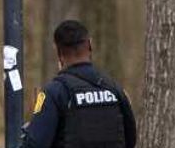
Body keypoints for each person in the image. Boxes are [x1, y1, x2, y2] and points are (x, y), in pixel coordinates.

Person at [20, 20, 137, 148]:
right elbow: (130, 139)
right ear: (90, 45)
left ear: (59, 53)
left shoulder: (55, 92)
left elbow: (35, 144)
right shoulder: (115, 90)